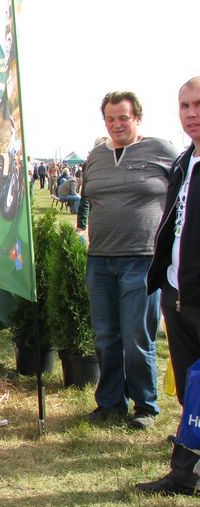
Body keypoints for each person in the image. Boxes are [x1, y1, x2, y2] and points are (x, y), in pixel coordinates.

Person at [79, 91, 178, 429]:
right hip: (100, 259)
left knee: (137, 335)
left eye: (123, 117)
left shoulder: (162, 151)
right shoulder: (94, 156)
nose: (117, 124)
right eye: (110, 118)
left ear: (137, 118)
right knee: (105, 336)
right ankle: (109, 403)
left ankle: (145, 406)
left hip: (143, 259)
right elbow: (88, 199)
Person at [137, 76, 200, 496]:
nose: (192, 114)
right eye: (185, 106)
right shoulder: (184, 161)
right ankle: (185, 473)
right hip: (178, 294)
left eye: (198, 105)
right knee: (190, 391)